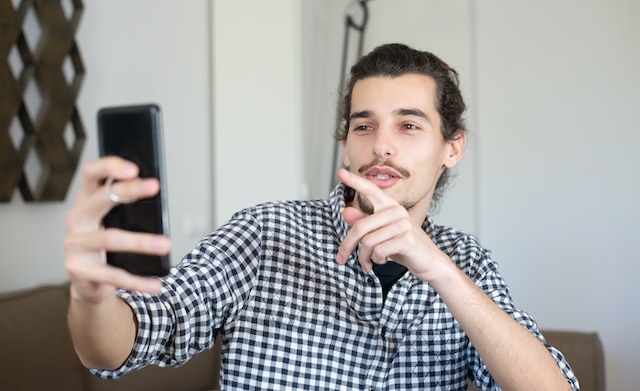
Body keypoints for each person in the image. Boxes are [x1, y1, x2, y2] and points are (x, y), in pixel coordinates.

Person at [65, 43, 579, 390]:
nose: (381, 145)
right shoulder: (265, 233)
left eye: (408, 126)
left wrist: (438, 271)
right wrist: (92, 297)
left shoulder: (468, 261)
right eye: (363, 126)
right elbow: (120, 345)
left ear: (452, 147)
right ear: (345, 141)